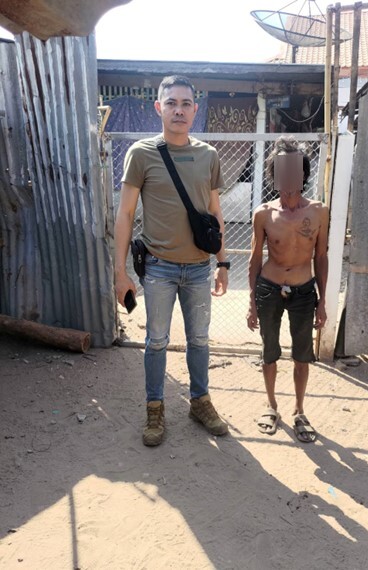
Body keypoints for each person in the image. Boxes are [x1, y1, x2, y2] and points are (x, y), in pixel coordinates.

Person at [114, 75, 230, 446]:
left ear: (195, 110)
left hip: (198, 268)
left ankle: (200, 401)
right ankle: (155, 407)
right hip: (159, 268)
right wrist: (119, 272)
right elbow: (125, 214)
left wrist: (223, 263)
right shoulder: (141, 154)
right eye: (171, 103)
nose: (178, 110)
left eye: (185, 104)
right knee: (156, 341)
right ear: (158, 108)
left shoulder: (208, 155)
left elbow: (215, 212)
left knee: (200, 340)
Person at [247, 137, 329, 442]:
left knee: (302, 354)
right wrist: (252, 301)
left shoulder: (318, 212)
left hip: (304, 292)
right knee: (269, 351)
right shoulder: (264, 213)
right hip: (269, 288)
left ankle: (299, 410)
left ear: (303, 174)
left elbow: (321, 257)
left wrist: (322, 301)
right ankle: (271, 406)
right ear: (274, 174)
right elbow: (255, 259)